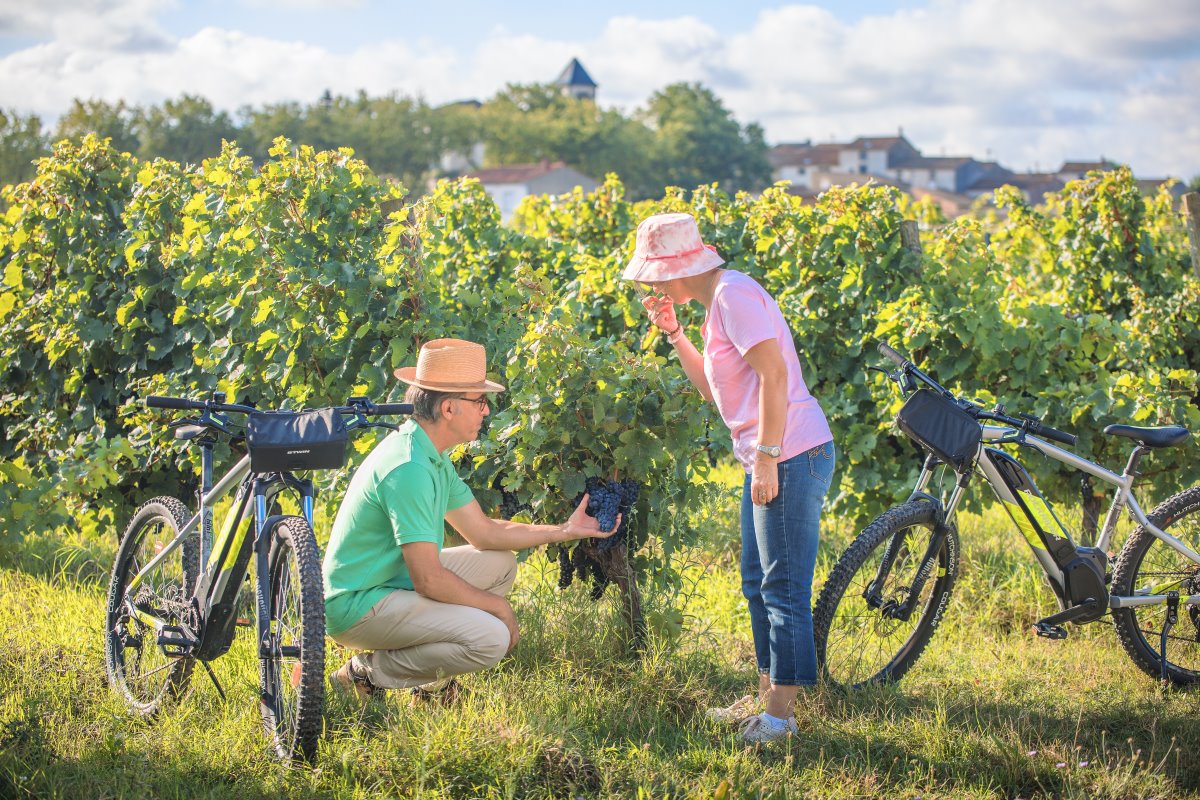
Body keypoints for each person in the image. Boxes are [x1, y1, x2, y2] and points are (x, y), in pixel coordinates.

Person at [622, 213, 835, 743]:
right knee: (756, 583)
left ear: (675, 269)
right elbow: (712, 392)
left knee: (783, 587)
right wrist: (673, 333)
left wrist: (766, 455)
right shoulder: (715, 306)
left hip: (789, 453)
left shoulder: (734, 297)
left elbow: (776, 375)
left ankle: (781, 719)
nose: (649, 285)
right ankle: (768, 697)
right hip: (768, 454)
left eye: (652, 275)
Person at [322, 337, 616, 701]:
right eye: (479, 401)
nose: (487, 411)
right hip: (358, 606)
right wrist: (499, 608)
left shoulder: (428, 452)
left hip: (390, 583)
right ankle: (365, 675)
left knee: (499, 565)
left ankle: (428, 684)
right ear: (448, 408)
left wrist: (565, 530)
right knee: (491, 638)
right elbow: (428, 579)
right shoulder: (409, 468)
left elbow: (484, 532)